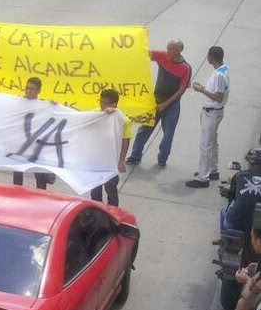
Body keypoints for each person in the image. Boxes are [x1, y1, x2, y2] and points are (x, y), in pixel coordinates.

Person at [126, 39, 191, 168]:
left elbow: (181, 90)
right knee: (144, 129)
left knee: (168, 134)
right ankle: (135, 156)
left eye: (171, 49)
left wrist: (165, 104)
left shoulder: (185, 68)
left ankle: (162, 159)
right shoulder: (163, 56)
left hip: (172, 105)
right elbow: (145, 53)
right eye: (167, 48)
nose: (168, 51)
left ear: (179, 51)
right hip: (155, 101)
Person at [188, 46, 229, 188]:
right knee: (213, 141)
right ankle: (213, 170)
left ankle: (202, 178)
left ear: (211, 58)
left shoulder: (219, 75)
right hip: (214, 113)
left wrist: (201, 89)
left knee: (205, 145)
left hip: (212, 112)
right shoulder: (223, 70)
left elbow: (218, 97)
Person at [11, 77, 54, 190]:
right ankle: (17, 193)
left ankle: (41, 195)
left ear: (39, 91)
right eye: (27, 88)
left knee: (39, 173)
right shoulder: (18, 102)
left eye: (32, 89)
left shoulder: (43, 105)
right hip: (20, 143)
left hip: (36, 145)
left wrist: (54, 106)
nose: (29, 91)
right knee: (18, 171)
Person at [91, 88, 131, 207]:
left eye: (104, 103)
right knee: (95, 190)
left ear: (113, 104)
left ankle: (113, 214)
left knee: (110, 189)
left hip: (111, 160)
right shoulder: (95, 114)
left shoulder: (123, 120)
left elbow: (125, 140)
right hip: (96, 159)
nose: (101, 105)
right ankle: (97, 212)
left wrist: (121, 160)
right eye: (100, 101)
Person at [223, 149, 261, 233]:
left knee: (223, 212)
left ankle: (224, 239)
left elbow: (231, 196)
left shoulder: (240, 175)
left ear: (251, 163)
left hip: (236, 221)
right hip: (258, 226)